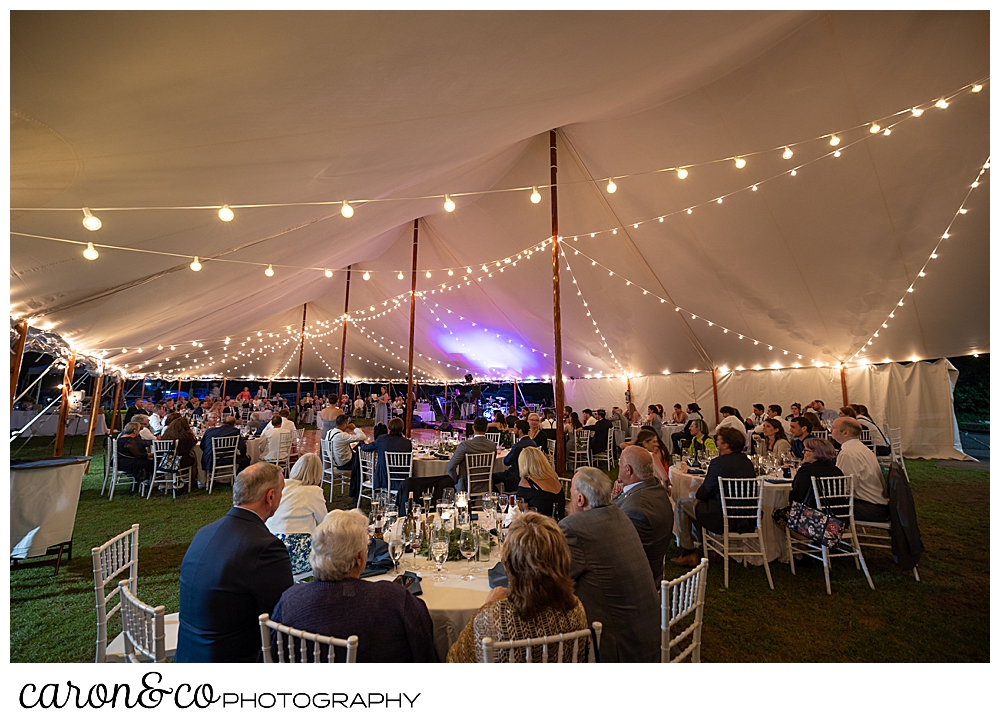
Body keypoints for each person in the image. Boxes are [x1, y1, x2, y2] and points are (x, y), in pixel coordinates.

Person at [270, 509, 436, 662]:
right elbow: (425, 653)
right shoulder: (393, 599)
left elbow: (269, 656)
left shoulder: (289, 600)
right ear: (359, 557)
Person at [176, 463, 293, 662]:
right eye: (281, 492)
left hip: (187, 655)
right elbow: (283, 614)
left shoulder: (204, 533)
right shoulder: (265, 547)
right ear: (270, 496)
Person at [448, 512, 588, 662]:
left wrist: (488, 606)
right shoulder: (576, 609)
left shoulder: (494, 618)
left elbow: (455, 659)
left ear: (510, 565)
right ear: (563, 557)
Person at [559, 467, 659, 663]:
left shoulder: (574, 528)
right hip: (650, 633)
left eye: (571, 494)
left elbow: (552, 580)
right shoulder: (621, 515)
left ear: (580, 500)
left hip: (616, 646)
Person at [671, 426, 756, 567]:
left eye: (719, 439)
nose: (716, 442)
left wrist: (698, 494)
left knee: (682, 503)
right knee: (698, 505)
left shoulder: (719, 463)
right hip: (747, 516)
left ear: (726, 445)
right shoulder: (747, 463)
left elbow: (704, 492)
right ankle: (709, 547)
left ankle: (688, 552)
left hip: (722, 516)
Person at [613, 446, 674, 585]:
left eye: (620, 462)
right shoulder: (655, 487)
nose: (618, 465)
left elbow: (621, 552)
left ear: (628, 469)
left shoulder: (636, 511)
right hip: (654, 564)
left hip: (637, 581)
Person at [265, 453, 329, 575]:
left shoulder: (281, 486)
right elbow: (324, 523)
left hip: (271, 551)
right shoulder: (313, 491)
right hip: (297, 555)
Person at [831, 417, 890, 522]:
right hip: (877, 503)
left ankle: (828, 534)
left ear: (845, 433)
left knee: (820, 503)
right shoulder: (860, 447)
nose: (830, 430)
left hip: (870, 507)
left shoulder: (848, 453)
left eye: (833, 428)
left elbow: (846, 488)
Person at [359, 417, 412, 493]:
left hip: (384, 479)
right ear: (402, 428)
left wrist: (361, 443)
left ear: (389, 427)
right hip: (403, 479)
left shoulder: (382, 439)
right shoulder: (407, 443)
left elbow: (366, 448)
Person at [446, 417, 497, 493]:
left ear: (473, 428)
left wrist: (456, 481)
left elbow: (450, 467)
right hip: (485, 484)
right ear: (487, 429)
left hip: (466, 485)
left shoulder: (465, 445)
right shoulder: (492, 446)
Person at [514, 446, 565, 517]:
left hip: (540, 525)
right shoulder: (555, 479)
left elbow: (519, 510)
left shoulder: (526, 483)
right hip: (558, 524)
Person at [493, 420, 539, 493]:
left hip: (515, 476)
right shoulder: (533, 443)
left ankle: (499, 497)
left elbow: (506, 462)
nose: (513, 431)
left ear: (520, 431)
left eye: (515, 428)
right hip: (531, 475)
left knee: (491, 477)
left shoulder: (518, 446)